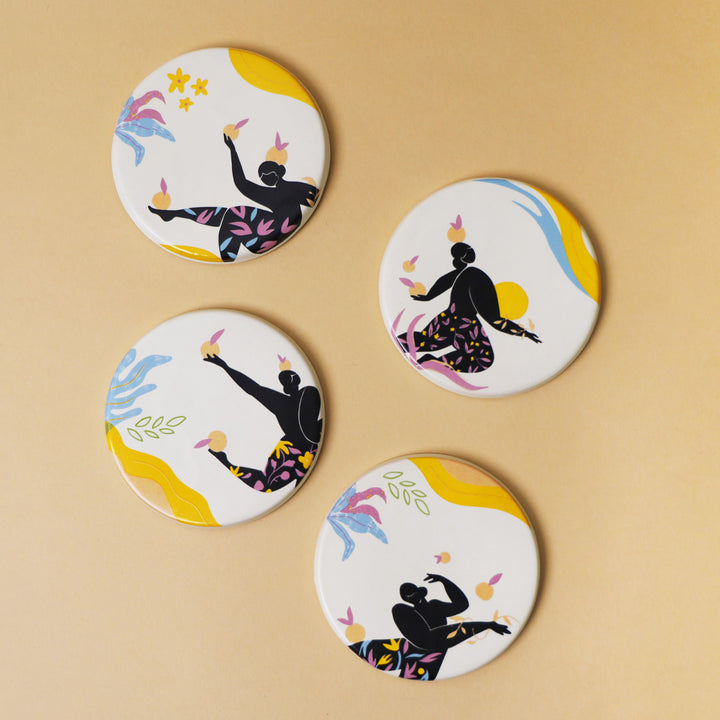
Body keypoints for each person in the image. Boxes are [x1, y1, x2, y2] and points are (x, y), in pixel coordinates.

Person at [148, 133, 318, 260]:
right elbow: (242, 184)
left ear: (278, 172)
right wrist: (233, 151)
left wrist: (233, 150)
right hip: (272, 230)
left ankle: (227, 258)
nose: (264, 179)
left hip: (273, 232)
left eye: (267, 175)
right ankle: (173, 214)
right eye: (262, 177)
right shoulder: (275, 192)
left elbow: (242, 184)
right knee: (227, 214)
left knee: (233, 215)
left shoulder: (287, 189)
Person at [397, 242, 540, 373]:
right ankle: (434, 363)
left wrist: (429, 296)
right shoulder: (478, 277)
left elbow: (446, 281)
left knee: (423, 340)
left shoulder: (464, 272)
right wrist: (522, 332)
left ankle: (403, 347)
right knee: (483, 358)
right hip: (465, 326)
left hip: (446, 319)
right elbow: (493, 319)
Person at [202, 352, 322, 492]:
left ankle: (226, 462)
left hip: (295, 449)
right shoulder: (299, 396)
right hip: (302, 447)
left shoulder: (286, 401)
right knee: (285, 484)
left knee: (270, 484)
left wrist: (226, 367)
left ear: (285, 387)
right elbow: (252, 388)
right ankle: (227, 462)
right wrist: (226, 367)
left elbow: (252, 388)